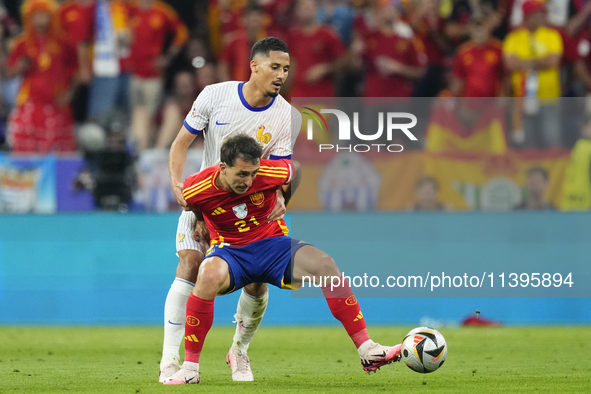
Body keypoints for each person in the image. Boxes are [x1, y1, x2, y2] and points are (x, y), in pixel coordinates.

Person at [164, 134, 402, 385]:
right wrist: (202, 220)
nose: (249, 180)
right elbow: (193, 203)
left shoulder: (268, 172)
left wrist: (284, 199)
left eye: (253, 173)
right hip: (230, 250)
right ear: (223, 167)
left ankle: (367, 349)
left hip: (272, 245)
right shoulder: (196, 186)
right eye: (242, 174)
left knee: (325, 265)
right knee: (208, 275)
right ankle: (190, 368)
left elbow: (295, 169)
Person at [161, 37, 301, 383]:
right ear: (254, 65)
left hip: (251, 211)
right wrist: (180, 188)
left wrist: (283, 195)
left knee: (256, 283)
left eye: (285, 68)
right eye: (274, 66)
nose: (281, 74)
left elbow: (280, 173)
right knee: (190, 264)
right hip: (204, 201)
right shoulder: (214, 95)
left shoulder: (288, 117)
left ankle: (238, 351)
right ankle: (170, 361)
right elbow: (181, 143)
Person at [6, 0, 78, 153]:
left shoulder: (64, 42)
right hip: (31, 104)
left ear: (52, 16)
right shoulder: (21, 43)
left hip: (57, 104)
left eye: (44, 14)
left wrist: (70, 93)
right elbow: (9, 74)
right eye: (36, 15)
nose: (40, 19)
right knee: (25, 150)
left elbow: (77, 71)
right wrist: (19, 66)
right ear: (28, 17)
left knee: (60, 151)